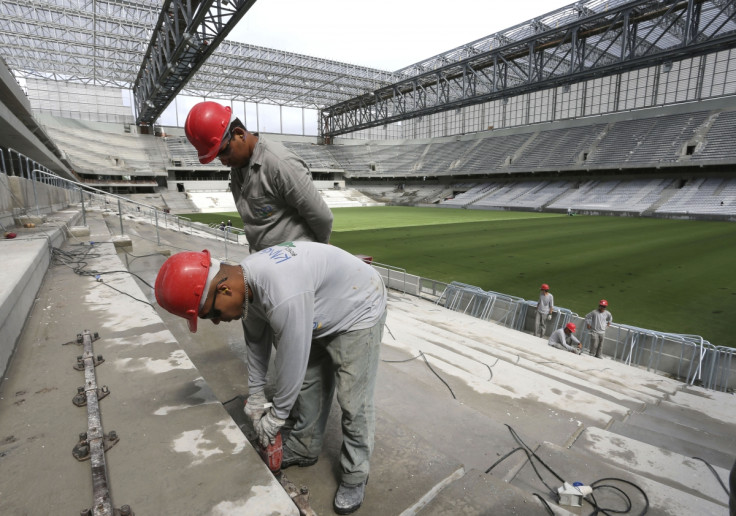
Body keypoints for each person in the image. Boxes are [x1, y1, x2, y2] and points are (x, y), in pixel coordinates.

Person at [154, 241, 387, 515]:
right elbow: (256, 343)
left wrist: (276, 416)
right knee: (310, 384)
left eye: (213, 313)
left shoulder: (281, 292)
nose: (216, 321)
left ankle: (356, 475)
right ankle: (304, 448)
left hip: (358, 307)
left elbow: (292, 359)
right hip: (317, 307)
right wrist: (255, 395)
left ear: (224, 288)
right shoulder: (246, 284)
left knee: (353, 401)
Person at [184, 101, 333, 252]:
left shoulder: (281, 164)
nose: (223, 161)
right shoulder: (238, 167)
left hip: (295, 265)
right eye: (217, 156)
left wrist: (317, 254)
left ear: (239, 133)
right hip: (264, 264)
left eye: (223, 152)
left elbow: (322, 217)